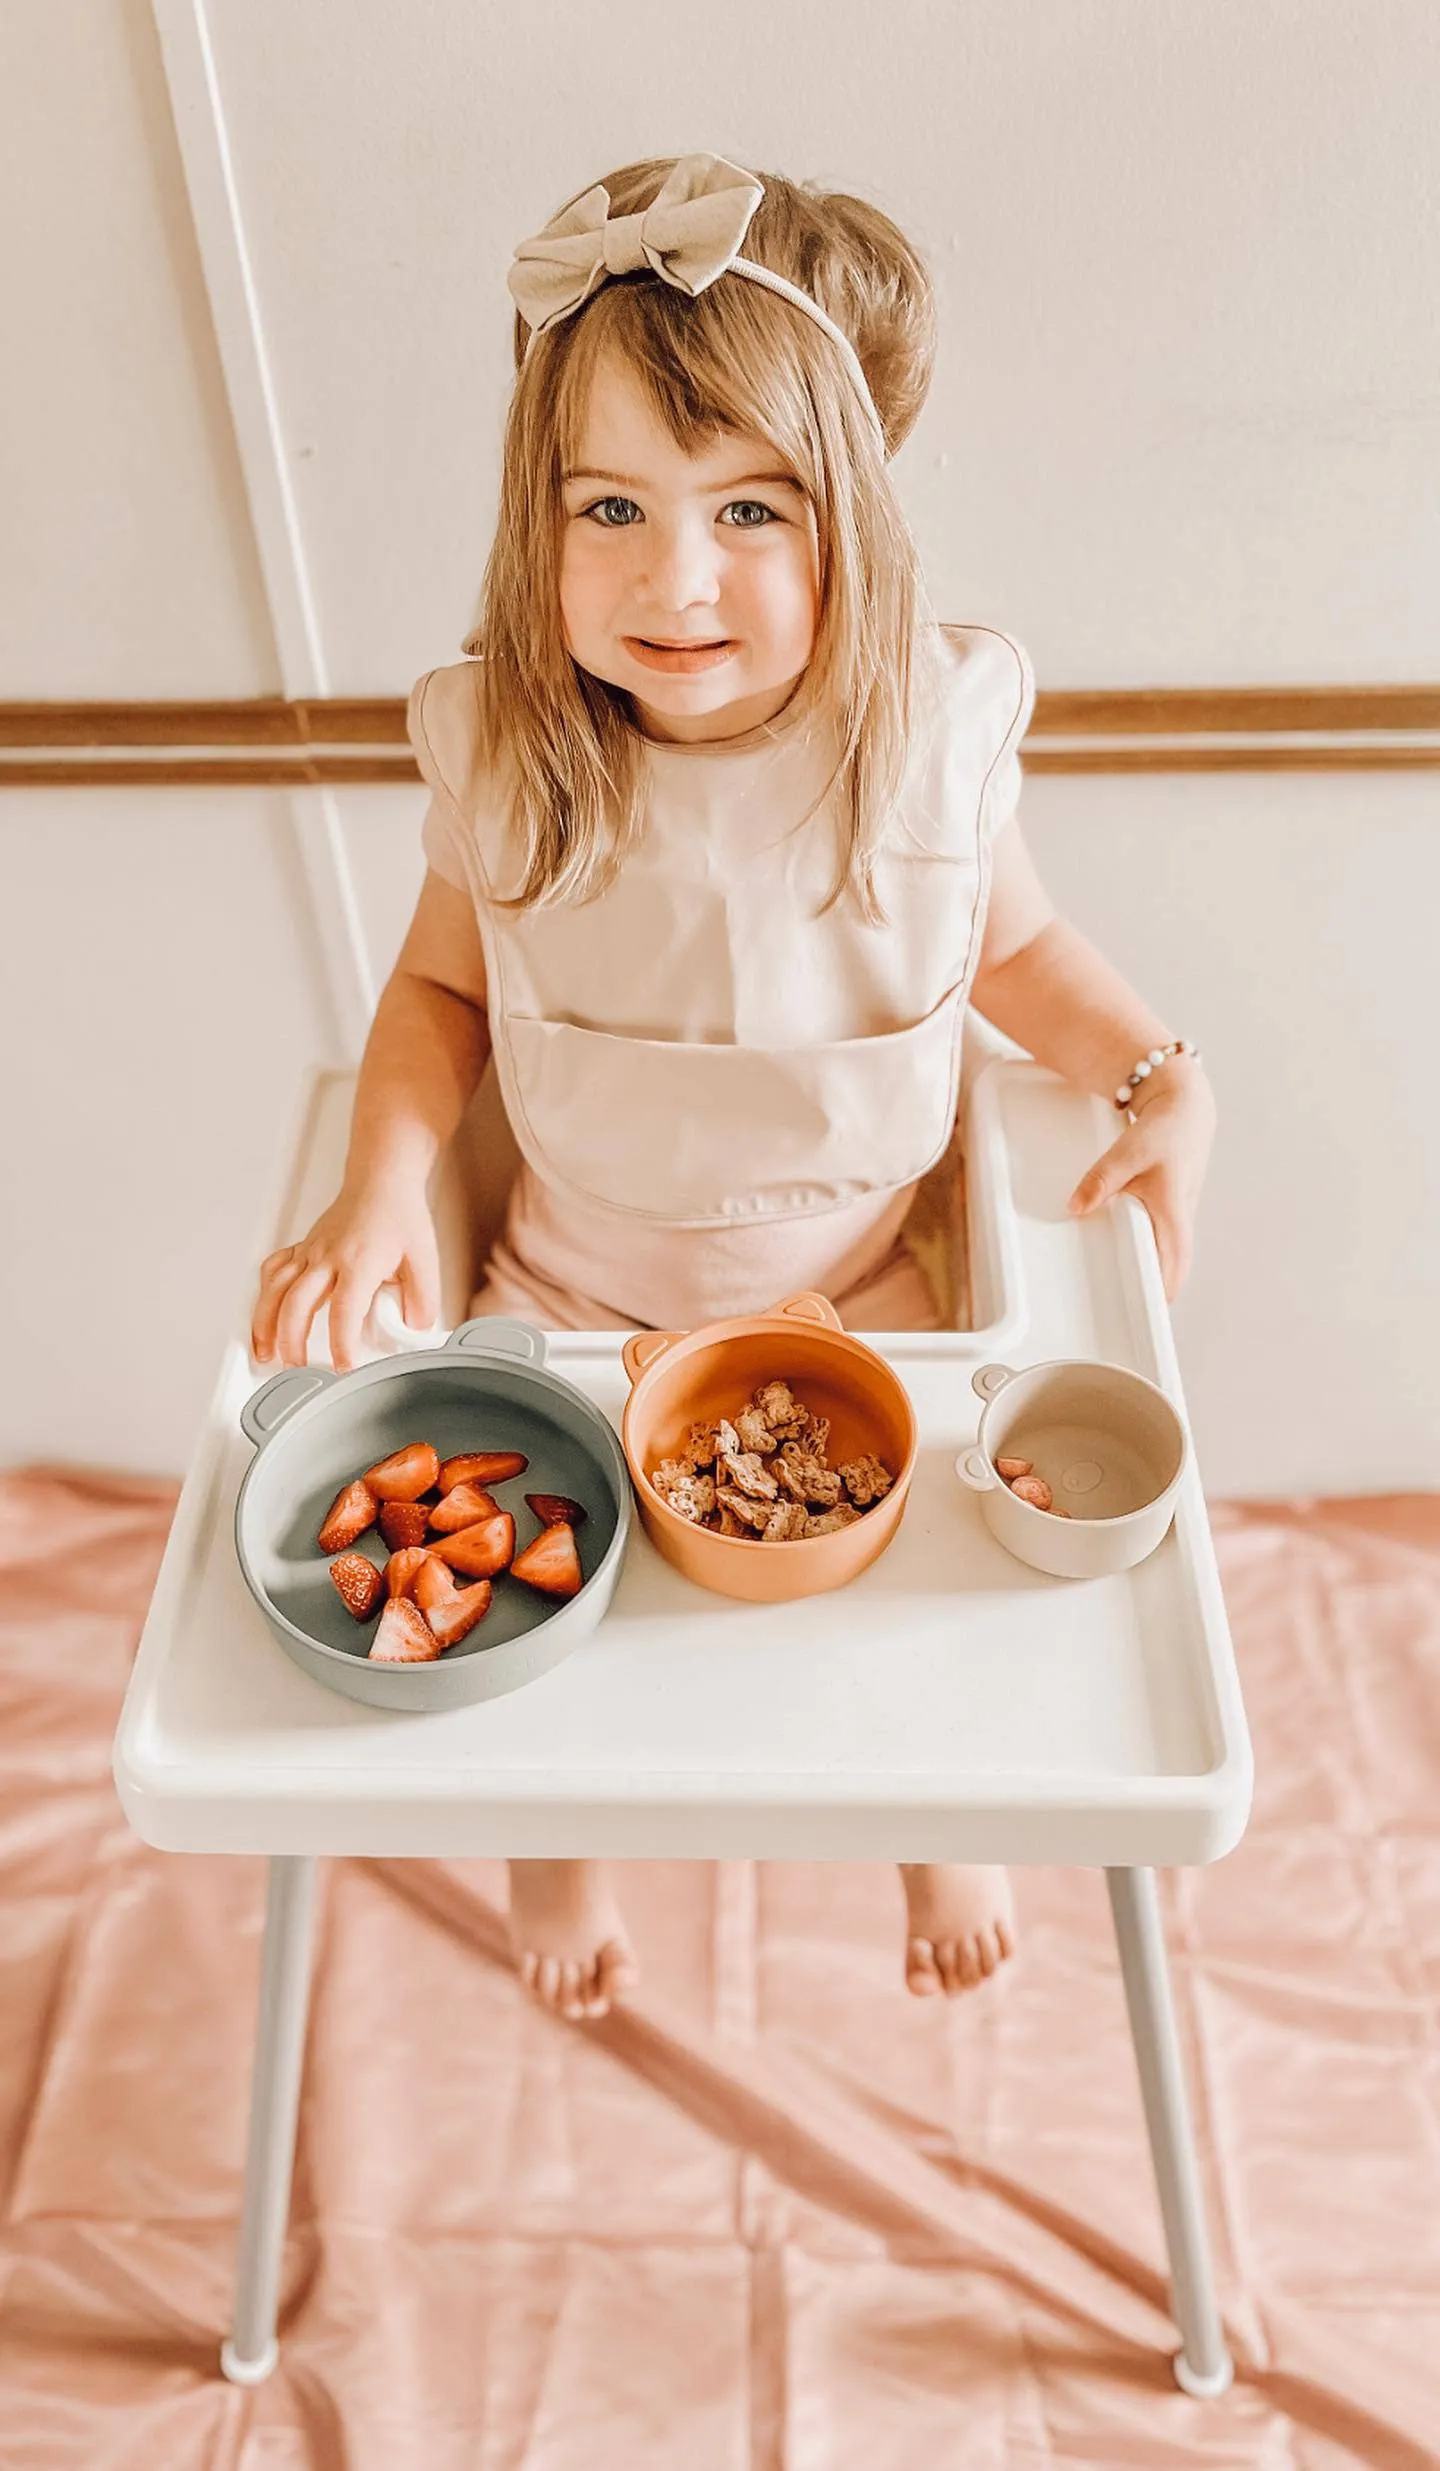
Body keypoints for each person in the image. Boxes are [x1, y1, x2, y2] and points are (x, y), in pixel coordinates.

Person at [251, 152, 1217, 2024]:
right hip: (571, 1287)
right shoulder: (510, 744)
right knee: (542, 1609)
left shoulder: (923, 744)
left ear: (854, 518)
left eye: (749, 510)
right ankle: (562, 1833)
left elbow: (1011, 957)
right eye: (607, 504)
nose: (669, 582)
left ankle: (927, 1808)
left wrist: (1160, 1071)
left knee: (923, 1577)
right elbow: (443, 989)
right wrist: (381, 1184)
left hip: (862, 1286)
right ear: (535, 517)